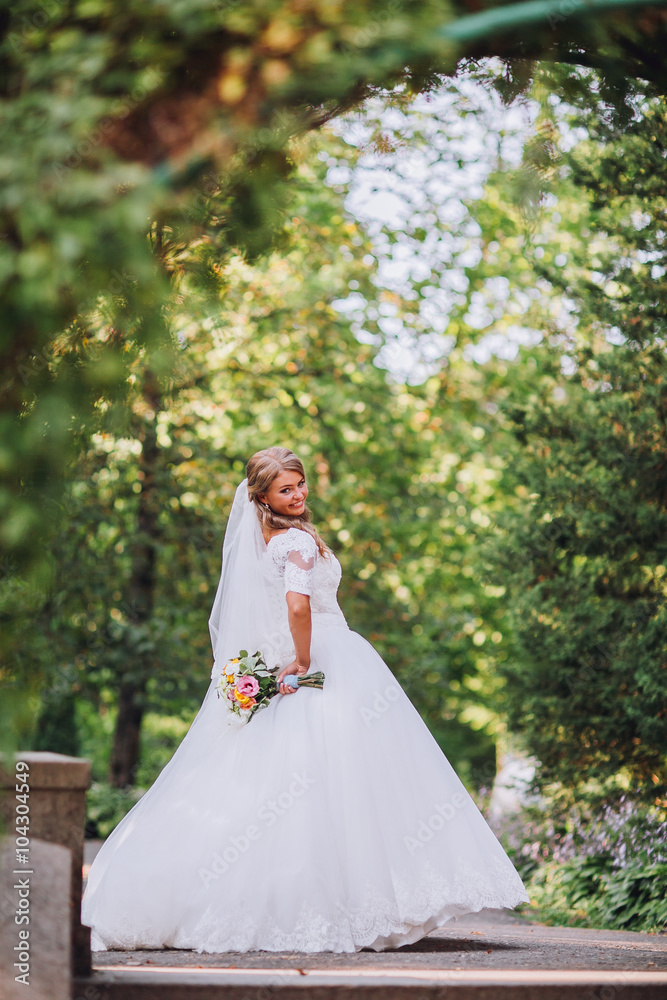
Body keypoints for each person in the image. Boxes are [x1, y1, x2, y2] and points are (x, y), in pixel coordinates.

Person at [82, 446, 529, 953]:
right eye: (284, 489)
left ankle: (334, 900)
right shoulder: (295, 542)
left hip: (305, 657)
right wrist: (301, 658)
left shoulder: (267, 540)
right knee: (346, 776)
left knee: (298, 780)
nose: (296, 495)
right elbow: (297, 605)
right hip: (322, 656)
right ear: (263, 496)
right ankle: (357, 901)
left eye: (299, 485)